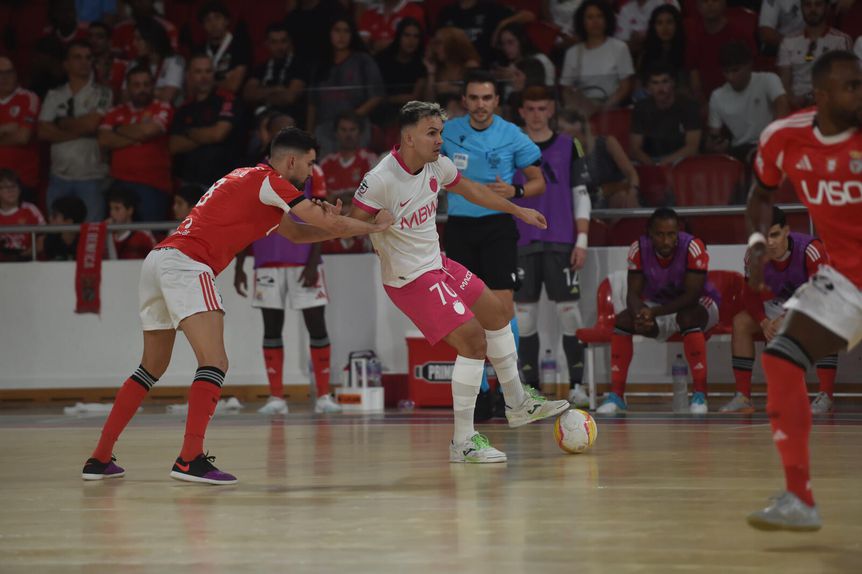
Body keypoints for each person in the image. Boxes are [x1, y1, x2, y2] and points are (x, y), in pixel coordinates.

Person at [80, 127, 393, 485]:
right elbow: (325, 219)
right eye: (308, 164)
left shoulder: (248, 178)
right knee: (214, 361)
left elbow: (299, 233)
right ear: (290, 161)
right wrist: (373, 226)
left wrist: (340, 228)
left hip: (159, 261)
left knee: (150, 368)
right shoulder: (271, 181)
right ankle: (189, 458)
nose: (310, 173)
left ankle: (99, 458)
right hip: (187, 263)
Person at [348, 100, 570, 462]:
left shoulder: (437, 164)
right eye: (431, 133)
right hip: (409, 279)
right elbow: (349, 225)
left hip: (438, 263)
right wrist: (373, 225)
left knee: (497, 313)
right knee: (472, 341)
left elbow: (472, 190)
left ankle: (517, 403)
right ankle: (463, 442)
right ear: (408, 138)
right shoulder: (381, 179)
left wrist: (518, 210)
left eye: (441, 132)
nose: (439, 140)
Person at [744, 50, 862, 531]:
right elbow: (761, 195)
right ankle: (799, 498)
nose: (859, 93)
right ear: (821, 95)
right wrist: (756, 240)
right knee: (780, 359)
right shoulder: (783, 137)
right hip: (846, 281)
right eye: (851, 86)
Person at [234, 116, 341, 416]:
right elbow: (248, 220)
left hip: (303, 260)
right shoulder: (256, 174)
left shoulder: (312, 170)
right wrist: (241, 262)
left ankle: (323, 396)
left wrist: (313, 259)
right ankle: (276, 397)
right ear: (267, 133)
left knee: (316, 325)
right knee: (271, 328)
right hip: (266, 260)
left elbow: (320, 215)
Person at [510, 87, 591, 407]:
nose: (536, 114)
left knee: (570, 314)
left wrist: (582, 240)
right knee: (525, 318)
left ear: (552, 110)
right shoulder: (510, 146)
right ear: (521, 111)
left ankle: (577, 386)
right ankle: (530, 390)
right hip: (521, 241)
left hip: (561, 240)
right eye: (530, 108)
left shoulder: (569, 145)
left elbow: (581, 194)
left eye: (542, 108)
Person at [596, 208, 721, 414]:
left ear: (678, 233)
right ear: (650, 234)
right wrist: (641, 312)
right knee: (624, 320)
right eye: (660, 234)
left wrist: (653, 313)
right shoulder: (638, 248)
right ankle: (617, 396)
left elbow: (692, 295)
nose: (666, 241)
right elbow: (632, 295)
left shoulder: (693, 247)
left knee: (687, 317)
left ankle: (700, 395)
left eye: (671, 234)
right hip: (658, 306)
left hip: (700, 305)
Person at [721, 206, 837, 414]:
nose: (770, 242)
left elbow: (820, 292)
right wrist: (763, 321)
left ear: (786, 231)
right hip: (779, 305)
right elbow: (750, 294)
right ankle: (743, 396)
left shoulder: (811, 249)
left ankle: (825, 395)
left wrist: (788, 317)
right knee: (741, 323)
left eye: (774, 235)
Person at [38, 41, 113, 222]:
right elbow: (42, 131)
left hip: (91, 176)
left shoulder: (102, 93)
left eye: (88, 58)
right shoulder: (54, 94)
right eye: (77, 57)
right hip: (59, 176)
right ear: (66, 64)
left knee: (92, 235)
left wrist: (59, 123)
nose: (84, 62)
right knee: (58, 236)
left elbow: (91, 125)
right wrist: (79, 129)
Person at [98, 65, 174, 222]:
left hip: (152, 185)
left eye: (146, 84)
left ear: (153, 86)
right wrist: (138, 136)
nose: (142, 89)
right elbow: (104, 140)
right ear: (128, 87)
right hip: (119, 183)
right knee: (117, 236)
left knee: (150, 238)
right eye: (137, 85)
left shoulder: (162, 107)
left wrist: (117, 129)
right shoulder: (115, 111)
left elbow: (149, 131)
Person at [707, 41, 790, 162]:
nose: (730, 77)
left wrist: (770, 141)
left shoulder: (768, 79)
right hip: (739, 150)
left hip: (771, 143)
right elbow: (713, 136)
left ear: (749, 65)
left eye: (735, 70)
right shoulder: (717, 96)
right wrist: (715, 145)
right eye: (726, 72)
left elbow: (783, 108)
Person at [169, 54, 239, 188]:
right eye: (198, 72)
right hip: (188, 182)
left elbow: (218, 134)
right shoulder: (184, 107)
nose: (204, 77)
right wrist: (206, 135)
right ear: (189, 75)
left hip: (221, 183)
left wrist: (188, 133)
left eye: (208, 71)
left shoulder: (226, 99)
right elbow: (174, 145)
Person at [560, 0, 635, 115]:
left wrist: (604, 107)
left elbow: (625, 87)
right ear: (582, 22)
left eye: (599, 16)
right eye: (590, 17)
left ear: (607, 19)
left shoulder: (620, 48)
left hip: (611, 111)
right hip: (581, 112)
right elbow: (566, 90)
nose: (595, 21)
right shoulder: (572, 53)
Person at [777, 0, 852, 110]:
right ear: (801, 8)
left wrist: (814, 96)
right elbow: (785, 83)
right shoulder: (788, 42)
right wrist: (793, 102)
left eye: (818, 4)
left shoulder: (841, 40)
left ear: (826, 8)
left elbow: (845, 80)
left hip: (830, 105)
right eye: (807, 5)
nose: (812, 10)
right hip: (796, 106)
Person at [558, 109, 640, 208]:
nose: (557, 133)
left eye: (561, 129)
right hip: (583, 203)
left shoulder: (607, 143)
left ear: (577, 126)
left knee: (621, 197)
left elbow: (631, 173)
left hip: (615, 199)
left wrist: (633, 192)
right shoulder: (562, 154)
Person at [630, 63, 701, 167]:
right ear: (648, 87)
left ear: (673, 83)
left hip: (682, 160)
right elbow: (635, 149)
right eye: (655, 83)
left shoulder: (689, 106)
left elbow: (692, 147)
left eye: (665, 81)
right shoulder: (640, 108)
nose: (661, 88)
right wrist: (653, 166)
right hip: (651, 160)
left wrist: (663, 164)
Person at [242, 23, 310, 127]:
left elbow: (289, 97)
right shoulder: (260, 68)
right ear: (266, 44)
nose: (279, 47)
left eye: (283, 41)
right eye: (274, 42)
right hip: (261, 122)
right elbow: (248, 94)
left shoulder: (299, 66)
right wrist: (276, 89)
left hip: (290, 123)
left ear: (290, 42)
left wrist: (261, 94)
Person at [0, 57, 41, 203]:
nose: (4, 78)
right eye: (0, 73)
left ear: (16, 74)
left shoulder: (28, 98)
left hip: (22, 180)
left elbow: (23, 137)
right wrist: (6, 128)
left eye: (9, 73)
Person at [197, 1, 250, 95]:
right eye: (208, 20)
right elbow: (192, 86)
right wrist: (222, 82)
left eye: (217, 17)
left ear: (227, 21)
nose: (213, 24)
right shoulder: (199, 50)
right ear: (203, 26)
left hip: (232, 103)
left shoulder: (239, 46)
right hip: (204, 103)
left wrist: (204, 83)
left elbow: (233, 86)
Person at [0, 169, 44, 262]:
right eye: (5, 187)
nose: (11, 191)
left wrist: (24, 255)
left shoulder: (31, 209)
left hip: (28, 263)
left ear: (20, 189)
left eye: (14, 186)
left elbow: (43, 240)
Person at [103, 186, 156, 260]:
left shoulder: (143, 234)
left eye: (117, 209)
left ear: (130, 210)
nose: (112, 213)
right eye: (111, 208)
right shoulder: (105, 233)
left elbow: (156, 260)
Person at [42, 196, 87, 261]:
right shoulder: (48, 240)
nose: (49, 218)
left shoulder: (88, 242)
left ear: (69, 221)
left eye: (54, 216)